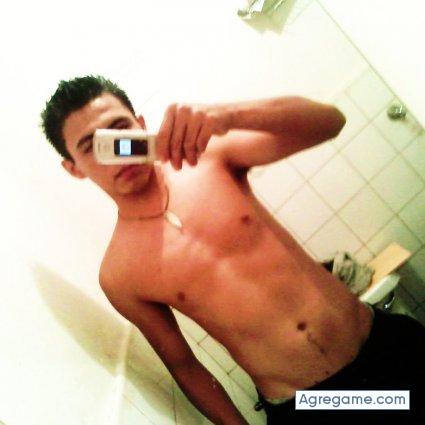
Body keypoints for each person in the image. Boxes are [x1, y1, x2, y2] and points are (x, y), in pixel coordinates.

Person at [41, 75, 425, 425]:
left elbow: (330, 122)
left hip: (382, 347)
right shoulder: (120, 274)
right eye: (93, 147)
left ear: (141, 124)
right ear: (74, 168)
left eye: (120, 130)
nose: (118, 151)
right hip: (311, 404)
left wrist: (227, 115)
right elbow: (184, 366)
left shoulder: (208, 158)